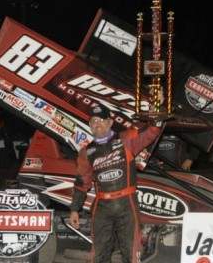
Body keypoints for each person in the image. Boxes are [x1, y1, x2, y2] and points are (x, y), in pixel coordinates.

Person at [69, 104, 161, 263]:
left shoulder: (126, 139)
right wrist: (74, 209)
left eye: (102, 120)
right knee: (98, 256)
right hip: (101, 206)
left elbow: (151, 131)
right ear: (90, 125)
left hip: (127, 203)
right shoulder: (86, 152)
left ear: (110, 122)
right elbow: (81, 182)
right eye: (94, 121)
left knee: (131, 254)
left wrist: (156, 110)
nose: (97, 124)